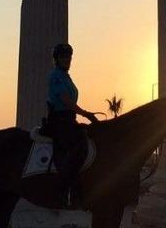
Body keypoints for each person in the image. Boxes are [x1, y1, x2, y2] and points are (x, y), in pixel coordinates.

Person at [46, 43, 99, 208]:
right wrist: (85, 113)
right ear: (57, 59)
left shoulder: (66, 76)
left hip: (69, 119)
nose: (67, 60)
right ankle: (62, 191)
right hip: (59, 120)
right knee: (79, 146)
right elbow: (65, 100)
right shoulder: (56, 76)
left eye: (69, 57)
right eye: (63, 56)